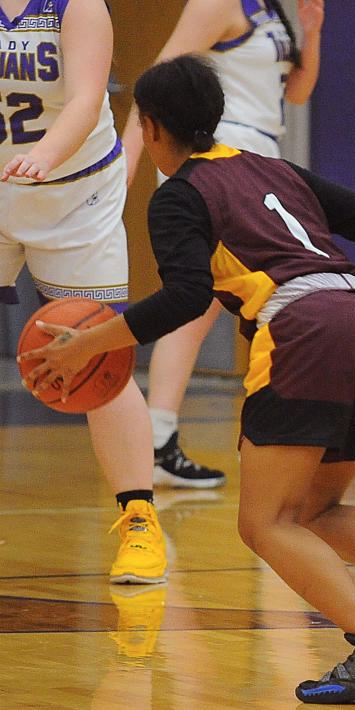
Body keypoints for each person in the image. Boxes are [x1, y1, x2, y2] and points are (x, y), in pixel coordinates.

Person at [20, 55, 355, 704]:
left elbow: (186, 297)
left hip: (305, 331)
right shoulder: (272, 169)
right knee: (309, 511)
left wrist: (93, 342)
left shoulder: (179, 196)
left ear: (152, 127)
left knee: (265, 524)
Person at [119, 0, 325, 490]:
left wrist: (312, 33)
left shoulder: (271, 10)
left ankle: (159, 439)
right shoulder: (218, 3)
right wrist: (123, 168)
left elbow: (296, 94)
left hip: (259, 158)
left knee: (207, 303)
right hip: (223, 160)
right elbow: (157, 80)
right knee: (224, 298)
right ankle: (162, 438)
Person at [0, 0, 165, 584]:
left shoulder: (77, 6)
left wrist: (41, 157)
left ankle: (140, 520)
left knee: (96, 353)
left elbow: (87, 99)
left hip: (73, 193)